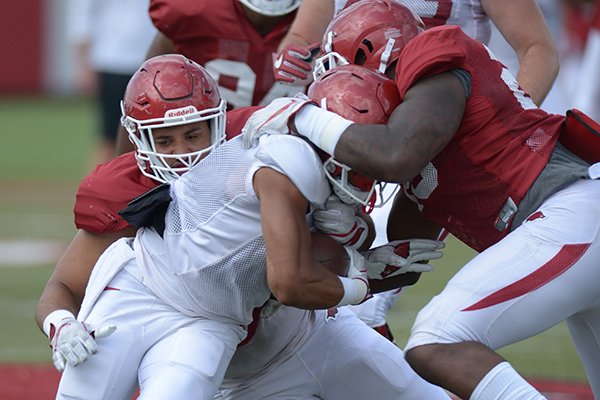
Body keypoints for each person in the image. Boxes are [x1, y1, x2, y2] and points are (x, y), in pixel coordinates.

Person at [242, 1, 600, 398]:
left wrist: (302, 115)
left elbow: (396, 156)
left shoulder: (434, 55)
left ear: (374, 53)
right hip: (573, 227)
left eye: (353, 72)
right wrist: (353, 272)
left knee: (436, 340)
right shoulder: (426, 135)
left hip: (570, 216)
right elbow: (404, 258)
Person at [39, 53, 447, 399]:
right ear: (139, 139)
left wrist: (359, 256)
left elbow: (322, 251)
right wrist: (62, 323)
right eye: (164, 140)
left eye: (193, 134)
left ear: (218, 123)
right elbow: (291, 279)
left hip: (264, 329)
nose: (183, 153)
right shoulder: (276, 161)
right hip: (156, 301)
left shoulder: (257, 136)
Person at [115, 0, 307, 155]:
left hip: (292, 155)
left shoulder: (324, 15)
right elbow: (144, 93)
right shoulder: (193, 11)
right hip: (205, 157)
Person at [68, 0, 157, 164]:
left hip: (154, 58)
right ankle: (97, 187)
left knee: (157, 134)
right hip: (113, 59)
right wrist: (82, 64)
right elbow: (82, 14)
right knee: (110, 136)